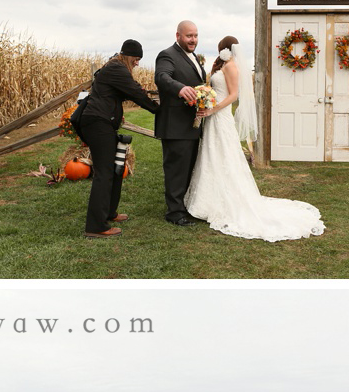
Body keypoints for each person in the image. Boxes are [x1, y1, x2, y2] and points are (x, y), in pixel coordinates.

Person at [185, 36, 326, 240]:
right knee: (212, 154)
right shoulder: (224, 65)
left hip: (220, 116)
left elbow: (233, 95)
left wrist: (212, 109)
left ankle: (225, 201)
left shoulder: (232, 67)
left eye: (220, 49)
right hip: (213, 117)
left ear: (226, 49)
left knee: (224, 155)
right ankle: (207, 200)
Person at [79, 40, 160, 239]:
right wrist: (158, 109)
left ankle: (109, 213)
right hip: (98, 123)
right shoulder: (117, 68)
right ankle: (96, 226)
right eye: (136, 59)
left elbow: (129, 91)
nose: (138, 63)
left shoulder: (115, 67)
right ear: (128, 55)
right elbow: (136, 92)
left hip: (104, 122)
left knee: (115, 169)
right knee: (104, 172)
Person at [155, 21, 207, 226]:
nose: (193, 40)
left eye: (195, 35)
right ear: (178, 35)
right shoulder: (167, 55)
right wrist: (179, 88)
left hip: (191, 124)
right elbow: (161, 77)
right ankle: (174, 212)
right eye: (189, 36)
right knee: (176, 169)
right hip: (175, 125)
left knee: (188, 167)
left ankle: (185, 206)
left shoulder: (192, 56)